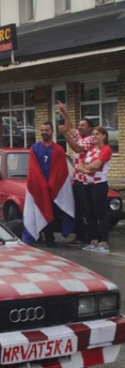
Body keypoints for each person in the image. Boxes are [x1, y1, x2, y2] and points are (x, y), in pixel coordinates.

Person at [22, 122, 75, 247]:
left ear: (52, 131)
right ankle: (45, 238)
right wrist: (42, 184)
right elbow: (33, 169)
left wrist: (52, 183)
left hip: (55, 189)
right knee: (41, 211)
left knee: (54, 214)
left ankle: (54, 237)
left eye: (47, 129)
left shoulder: (58, 149)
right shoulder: (35, 148)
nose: (44, 132)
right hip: (40, 188)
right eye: (42, 130)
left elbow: (61, 170)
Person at [57, 100, 94, 245]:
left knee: (86, 211)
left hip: (85, 181)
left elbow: (78, 148)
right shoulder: (81, 136)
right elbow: (71, 127)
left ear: (90, 128)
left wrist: (65, 134)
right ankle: (80, 235)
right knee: (77, 209)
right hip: (77, 180)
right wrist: (63, 111)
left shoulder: (90, 139)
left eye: (83, 126)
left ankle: (89, 237)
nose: (79, 127)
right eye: (80, 125)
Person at [77, 126, 112, 254]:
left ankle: (104, 243)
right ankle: (94, 241)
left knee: (100, 213)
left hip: (99, 185)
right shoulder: (91, 149)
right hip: (87, 184)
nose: (94, 136)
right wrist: (88, 169)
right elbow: (80, 165)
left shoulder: (106, 150)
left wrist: (88, 168)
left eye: (97, 134)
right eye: (93, 134)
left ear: (104, 136)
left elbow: (96, 166)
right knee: (89, 213)